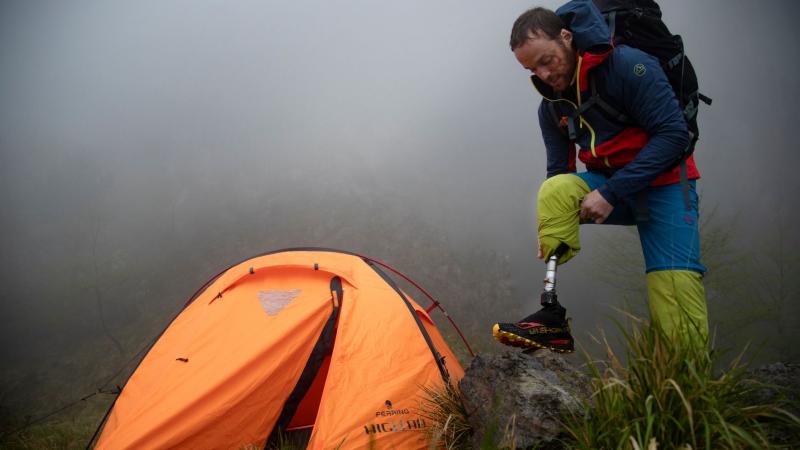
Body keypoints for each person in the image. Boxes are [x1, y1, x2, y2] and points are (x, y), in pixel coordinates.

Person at [492, 0, 709, 353]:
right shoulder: (552, 106)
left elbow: (674, 136)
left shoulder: (628, 67)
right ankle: (552, 322)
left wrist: (610, 193)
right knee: (554, 193)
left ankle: (688, 393)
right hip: (611, 187)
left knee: (675, 293)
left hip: (667, 185)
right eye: (532, 70)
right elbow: (559, 174)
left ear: (566, 37)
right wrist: (553, 226)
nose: (544, 75)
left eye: (547, 60)